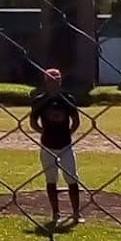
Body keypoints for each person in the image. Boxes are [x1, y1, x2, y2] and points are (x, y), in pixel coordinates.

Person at [29, 67, 84, 226]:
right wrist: (43, 132)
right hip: (48, 145)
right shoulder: (39, 100)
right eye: (52, 80)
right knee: (51, 179)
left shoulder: (68, 98)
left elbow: (76, 121)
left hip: (65, 145)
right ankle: (56, 213)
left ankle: (75, 213)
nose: (55, 83)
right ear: (46, 82)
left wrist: (67, 134)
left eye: (57, 80)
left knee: (72, 178)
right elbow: (33, 122)